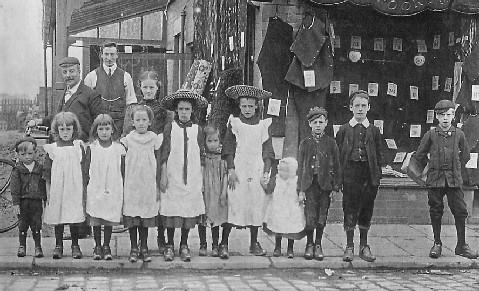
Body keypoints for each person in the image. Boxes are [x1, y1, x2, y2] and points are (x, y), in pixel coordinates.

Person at [413, 100, 478, 259]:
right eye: (442, 115)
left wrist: (455, 168)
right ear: (436, 116)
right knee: (436, 211)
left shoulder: (459, 134)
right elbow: (419, 155)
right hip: (435, 180)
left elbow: (466, 156)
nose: (445, 118)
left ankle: (461, 245)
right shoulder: (431, 135)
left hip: (454, 181)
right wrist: (431, 168)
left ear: (453, 116)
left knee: (461, 211)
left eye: (449, 114)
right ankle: (437, 243)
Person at [123, 70, 173, 254]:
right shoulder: (133, 109)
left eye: (152, 87)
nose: (149, 91)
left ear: (157, 88)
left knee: (160, 198)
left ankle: (162, 239)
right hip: (138, 159)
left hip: (157, 155)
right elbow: (126, 134)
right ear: (140, 88)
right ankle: (138, 245)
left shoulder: (165, 112)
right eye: (145, 88)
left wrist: (164, 163)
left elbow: (166, 139)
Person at [222, 85, 275, 257]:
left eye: (250, 106)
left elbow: (268, 151)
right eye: (244, 106)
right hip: (238, 169)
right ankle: (224, 242)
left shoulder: (262, 125)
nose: (247, 109)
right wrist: (230, 169)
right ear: (239, 106)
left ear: (256, 106)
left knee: (255, 204)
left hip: (256, 169)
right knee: (234, 203)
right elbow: (228, 147)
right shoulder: (235, 123)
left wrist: (266, 171)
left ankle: (254, 242)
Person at [159, 89, 207, 262]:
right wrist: (163, 174)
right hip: (173, 175)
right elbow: (164, 153)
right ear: (176, 111)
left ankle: (184, 244)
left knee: (187, 210)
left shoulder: (197, 130)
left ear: (192, 110)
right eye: (181, 109)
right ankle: (169, 244)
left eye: (187, 109)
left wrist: (201, 177)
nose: (184, 113)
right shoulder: (170, 128)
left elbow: (201, 154)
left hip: (192, 176)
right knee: (172, 210)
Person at [336, 90, 383, 263]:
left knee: (366, 210)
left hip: (368, 176)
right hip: (350, 175)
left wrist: (376, 177)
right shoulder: (344, 129)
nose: (360, 109)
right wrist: (339, 179)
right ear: (351, 108)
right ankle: (349, 246)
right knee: (349, 209)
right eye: (357, 105)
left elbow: (379, 155)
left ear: (369, 107)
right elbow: (339, 154)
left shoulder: (374, 131)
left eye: (364, 105)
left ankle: (364, 246)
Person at [120, 105, 163, 263]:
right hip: (132, 182)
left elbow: (160, 157)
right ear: (132, 122)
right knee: (133, 216)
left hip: (147, 182)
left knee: (144, 215)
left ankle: (144, 246)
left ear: (150, 122)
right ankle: (133, 247)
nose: (141, 123)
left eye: (144, 120)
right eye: (138, 120)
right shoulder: (128, 139)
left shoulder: (154, 138)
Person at [297, 107, 340, 260]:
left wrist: (335, 188)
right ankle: (309, 244)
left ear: (326, 124)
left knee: (322, 217)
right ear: (309, 124)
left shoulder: (331, 143)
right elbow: (300, 166)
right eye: (314, 122)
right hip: (309, 185)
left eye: (321, 122)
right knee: (310, 217)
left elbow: (337, 166)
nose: (318, 125)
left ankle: (318, 244)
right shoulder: (305, 143)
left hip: (325, 186)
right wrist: (300, 190)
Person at [42, 112, 86, 259]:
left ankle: (75, 245)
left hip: (74, 188)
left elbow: (85, 169)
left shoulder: (78, 147)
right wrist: (48, 192)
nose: (65, 132)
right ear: (57, 130)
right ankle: (58, 245)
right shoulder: (52, 149)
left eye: (68, 129)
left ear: (74, 129)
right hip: (58, 188)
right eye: (62, 129)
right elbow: (47, 173)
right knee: (58, 215)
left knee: (73, 215)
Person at [28, 56, 103, 142]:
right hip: (62, 145)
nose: (68, 75)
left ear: (79, 71)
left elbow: (98, 124)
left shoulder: (91, 95)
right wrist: (38, 121)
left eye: (71, 71)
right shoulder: (65, 93)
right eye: (64, 72)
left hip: (81, 146)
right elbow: (58, 117)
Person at [84, 114, 125, 260]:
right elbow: (86, 169)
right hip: (96, 186)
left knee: (108, 216)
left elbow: (122, 170)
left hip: (113, 185)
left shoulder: (118, 149)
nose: (104, 132)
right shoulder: (92, 148)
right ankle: (97, 245)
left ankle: (106, 245)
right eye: (101, 129)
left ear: (112, 130)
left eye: (107, 128)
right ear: (96, 131)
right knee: (96, 217)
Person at [84, 42, 137, 134]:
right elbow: (86, 104)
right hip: (100, 125)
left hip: (119, 125)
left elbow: (131, 103)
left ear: (117, 55)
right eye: (106, 54)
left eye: (112, 54)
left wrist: (126, 129)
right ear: (101, 55)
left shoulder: (126, 76)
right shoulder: (91, 76)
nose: (109, 58)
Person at [11, 138, 46, 258]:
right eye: (23, 154)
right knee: (23, 224)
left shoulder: (39, 168)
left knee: (37, 224)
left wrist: (45, 199)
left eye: (30, 153)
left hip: (36, 202)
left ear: (36, 153)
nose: (27, 157)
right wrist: (16, 203)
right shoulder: (18, 169)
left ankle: (38, 247)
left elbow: (43, 185)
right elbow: (14, 188)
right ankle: (22, 246)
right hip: (23, 202)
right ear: (18, 155)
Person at [263, 157, 305, 259]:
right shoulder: (276, 179)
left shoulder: (296, 181)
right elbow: (269, 189)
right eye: (280, 170)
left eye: (285, 171)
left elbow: (301, 190)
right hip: (279, 208)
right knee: (278, 227)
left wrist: (301, 195)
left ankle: (290, 248)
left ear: (291, 171)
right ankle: (277, 247)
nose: (282, 172)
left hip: (291, 208)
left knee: (291, 228)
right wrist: (263, 183)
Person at [198, 125, 229, 258]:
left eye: (215, 140)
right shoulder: (203, 158)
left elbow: (225, 176)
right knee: (203, 217)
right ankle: (203, 243)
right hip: (205, 192)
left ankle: (216, 244)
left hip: (217, 191)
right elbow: (199, 173)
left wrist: (223, 193)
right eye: (209, 141)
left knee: (217, 217)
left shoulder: (221, 158)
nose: (213, 144)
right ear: (205, 142)